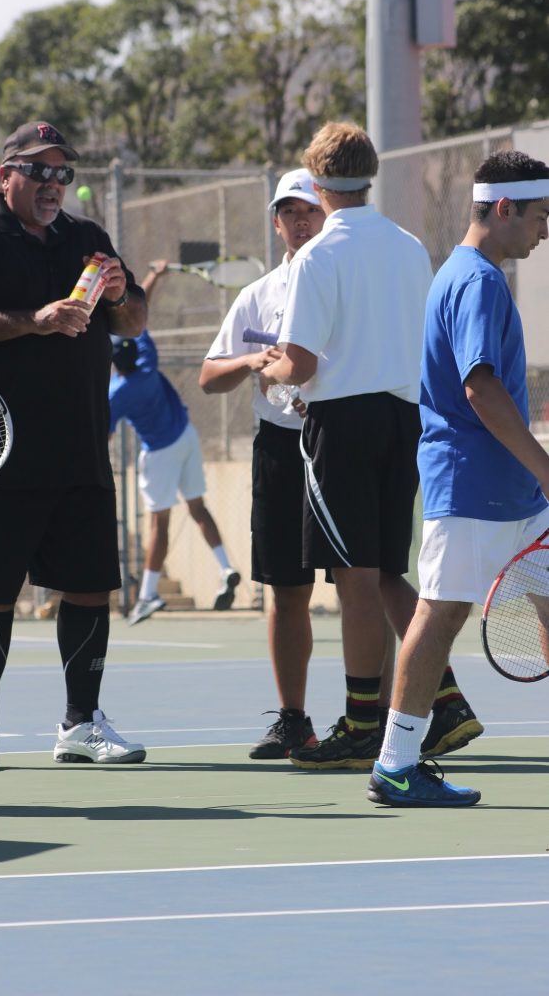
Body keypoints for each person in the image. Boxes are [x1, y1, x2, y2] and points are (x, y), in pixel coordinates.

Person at [0, 120, 148, 771]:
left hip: (80, 449)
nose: (53, 185)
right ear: (6, 175)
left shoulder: (86, 239)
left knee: (87, 589)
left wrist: (120, 292)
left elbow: (132, 319)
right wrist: (33, 321)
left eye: (62, 173)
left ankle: (81, 723)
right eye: (39, 171)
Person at [258, 123, 483, 770]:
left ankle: (361, 726)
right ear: (369, 174)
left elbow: (298, 366)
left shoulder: (317, 256)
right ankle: (443, 701)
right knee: (386, 569)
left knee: (353, 577)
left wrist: (268, 365)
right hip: (404, 419)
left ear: (317, 181)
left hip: (345, 426)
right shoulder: (410, 246)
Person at [367, 150, 549, 808]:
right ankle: (392, 765)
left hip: (513, 495)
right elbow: (479, 388)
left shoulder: (471, 275)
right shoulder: (475, 282)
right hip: (474, 488)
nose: (544, 231)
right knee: (438, 615)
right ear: (503, 209)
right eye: (538, 217)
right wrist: (544, 467)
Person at [199, 169, 325, 757]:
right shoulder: (258, 294)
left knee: (369, 582)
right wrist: (252, 360)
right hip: (278, 449)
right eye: (288, 212)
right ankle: (293, 719)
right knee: (286, 590)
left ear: (327, 213)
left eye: (309, 210)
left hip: (340, 443)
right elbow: (208, 377)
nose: (299, 221)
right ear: (276, 222)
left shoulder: (341, 279)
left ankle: (388, 713)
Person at [110, 260, 240, 626]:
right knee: (198, 509)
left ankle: (149, 595)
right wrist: (154, 275)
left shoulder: (116, 393)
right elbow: (140, 310)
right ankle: (226, 568)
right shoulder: (147, 360)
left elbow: (103, 433)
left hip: (160, 455)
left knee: (159, 526)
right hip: (187, 437)